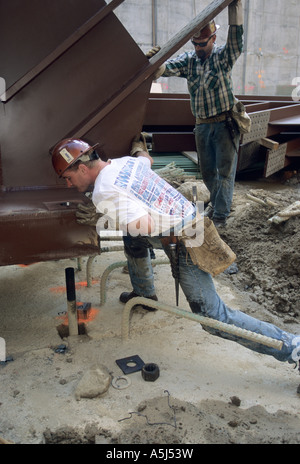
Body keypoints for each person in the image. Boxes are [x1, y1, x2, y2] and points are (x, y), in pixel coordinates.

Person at [51, 136, 300, 369]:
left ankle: (292, 348)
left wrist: (108, 217)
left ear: (82, 168)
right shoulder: (123, 163)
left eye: (68, 177)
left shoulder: (102, 191)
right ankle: (145, 294)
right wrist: (140, 147)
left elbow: (146, 225)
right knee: (133, 238)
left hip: (185, 240)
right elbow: (144, 161)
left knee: (213, 317)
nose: (69, 184)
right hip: (190, 221)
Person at [151, 0, 244, 227]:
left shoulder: (223, 58)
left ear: (213, 39)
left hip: (224, 124)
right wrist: (155, 64)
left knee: (224, 171)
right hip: (202, 126)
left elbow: (236, 40)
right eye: (195, 44)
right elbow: (167, 68)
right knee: (208, 173)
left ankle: (221, 216)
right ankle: (217, 205)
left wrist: (235, 8)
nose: (198, 48)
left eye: (203, 44)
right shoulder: (189, 61)